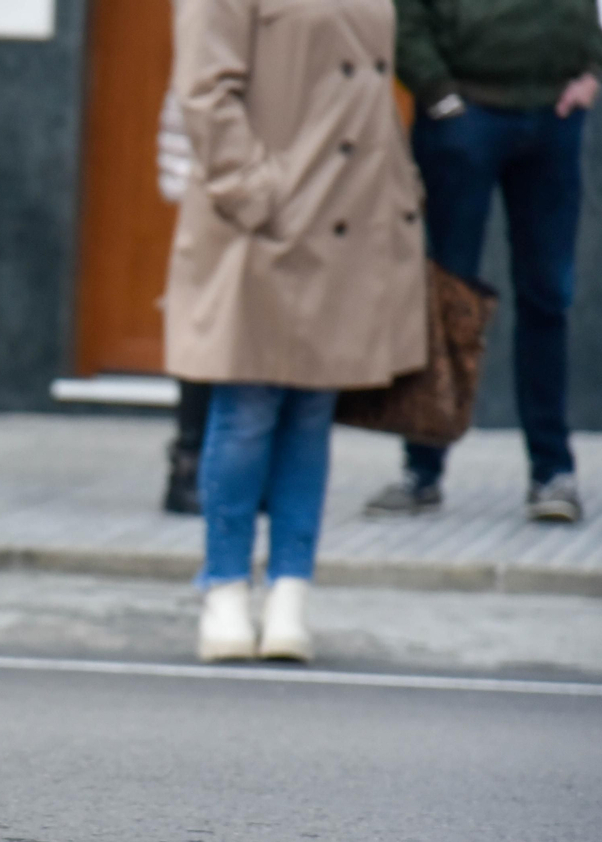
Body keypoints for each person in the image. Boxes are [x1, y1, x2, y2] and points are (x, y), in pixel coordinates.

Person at [166, 0, 427, 663]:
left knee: (311, 411)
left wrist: (400, 189)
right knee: (247, 405)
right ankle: (225, 589)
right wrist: (256, 191)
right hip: (265, 222)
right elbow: (204, 87)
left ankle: (290, 594)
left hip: (350, 212)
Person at [364, 0, 602, 524]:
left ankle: (552, 472)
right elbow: (405, 14)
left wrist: (592, 68)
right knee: (447, 294)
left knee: (548, 297)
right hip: (464, 116)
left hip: (554, 116)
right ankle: (422, 470)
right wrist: (436, 91)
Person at [154, 0, 209, 516]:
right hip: (208, 187)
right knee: (204, 325)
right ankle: (188, 463)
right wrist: (187, 186)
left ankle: (232, 466)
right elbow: (189, 88)